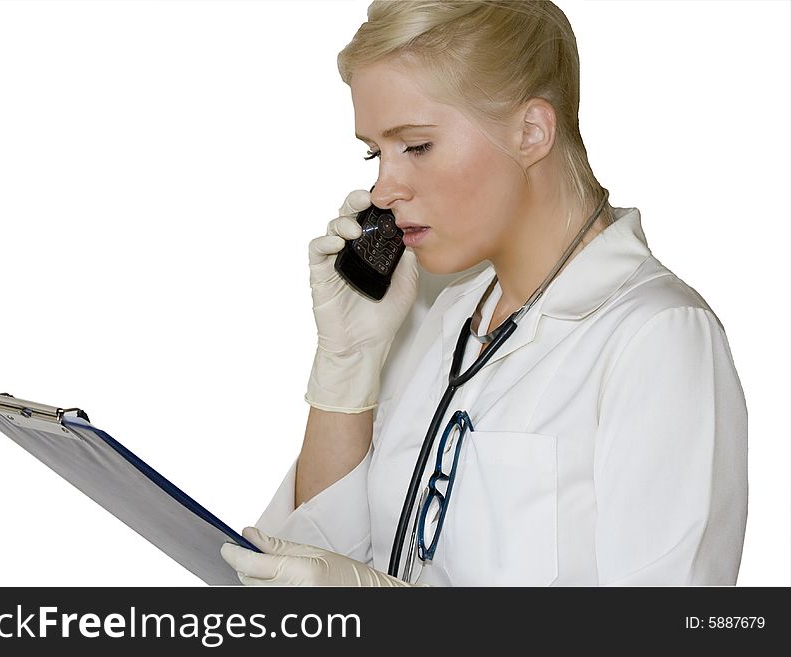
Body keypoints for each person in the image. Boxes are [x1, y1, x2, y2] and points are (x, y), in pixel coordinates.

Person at [220, 0, 748, 586]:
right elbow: (307, 569)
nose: (384, 186)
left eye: (415, 146)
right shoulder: (439, 313)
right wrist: (347, 366)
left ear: (531, 132)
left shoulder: (657, 337)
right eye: (376, 152)